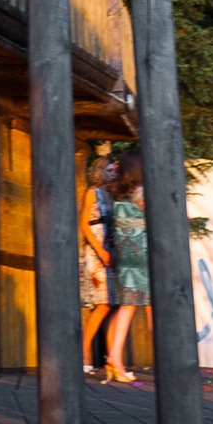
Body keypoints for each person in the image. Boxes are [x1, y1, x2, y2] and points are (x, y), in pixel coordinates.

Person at [101, 156, 151, 384]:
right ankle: (115, 358)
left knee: (126, 307)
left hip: (124, 251)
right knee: (135, 308)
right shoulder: (141, 193)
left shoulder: (118, 194)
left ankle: (115, 359)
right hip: (140, 251)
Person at [79, 155, 115, 375]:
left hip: (109, 249)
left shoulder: (111, 195)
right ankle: (84, 352)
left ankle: (111, 356)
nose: (113, 174)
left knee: (110, 304)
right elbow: (84, 223)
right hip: (95, 249)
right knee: (101, 303)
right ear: (101, 171)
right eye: (110, 170)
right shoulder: (92, 192)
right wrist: (99, 250)